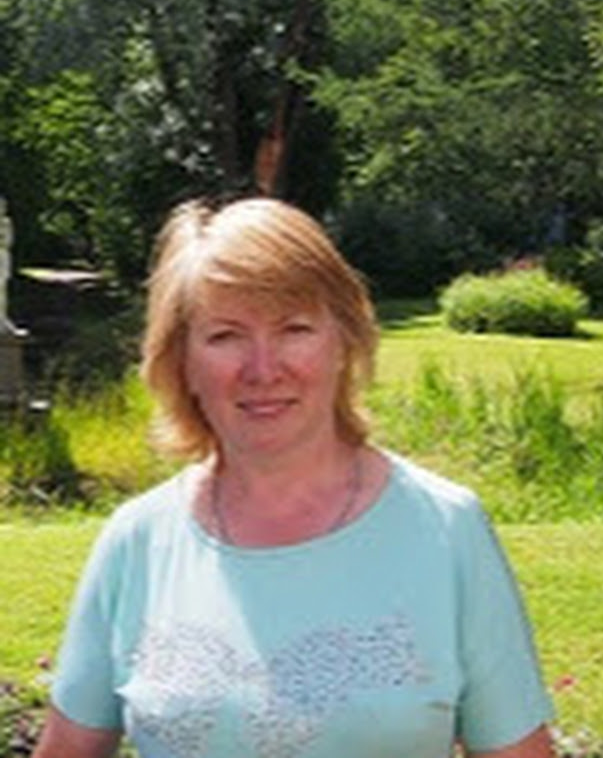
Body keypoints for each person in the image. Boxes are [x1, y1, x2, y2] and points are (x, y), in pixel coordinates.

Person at [33, 198, 555, 758]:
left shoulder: (446, 529)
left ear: (344, 342)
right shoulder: (137, 540)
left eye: (294, 329)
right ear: (182, 361)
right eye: (225, 336)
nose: (263, 369)